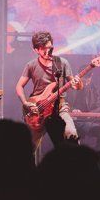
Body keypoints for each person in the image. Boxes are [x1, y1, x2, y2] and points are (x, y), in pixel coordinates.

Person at [15, 31, 82, 160]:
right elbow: (19, 86)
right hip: (37, 110)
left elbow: (75, 85)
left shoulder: (62, 63)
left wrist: (78, 84)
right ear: (35, 50)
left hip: (59, 107)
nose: (48, 52)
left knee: (71, 135)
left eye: (50, 48)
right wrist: (25, 103)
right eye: (43, 49)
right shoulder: (31, 65)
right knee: (26, 149)